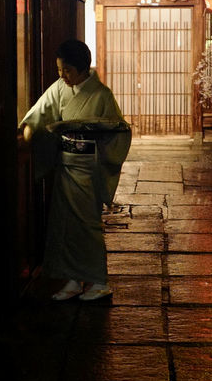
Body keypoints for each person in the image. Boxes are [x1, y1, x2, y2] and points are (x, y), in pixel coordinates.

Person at [20, 39, 131, 301]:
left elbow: (119, 130)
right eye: (60, 70)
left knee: (86, 225)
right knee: (63, 225)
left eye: (67, 70)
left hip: (88, 168)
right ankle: (70, 279)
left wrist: (100, 143)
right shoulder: (60, 88)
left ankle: (97, 281)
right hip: (65, 167)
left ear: (83, 69)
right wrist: (26, 130)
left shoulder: (101, 94)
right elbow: (39, 113)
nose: (62, 75)